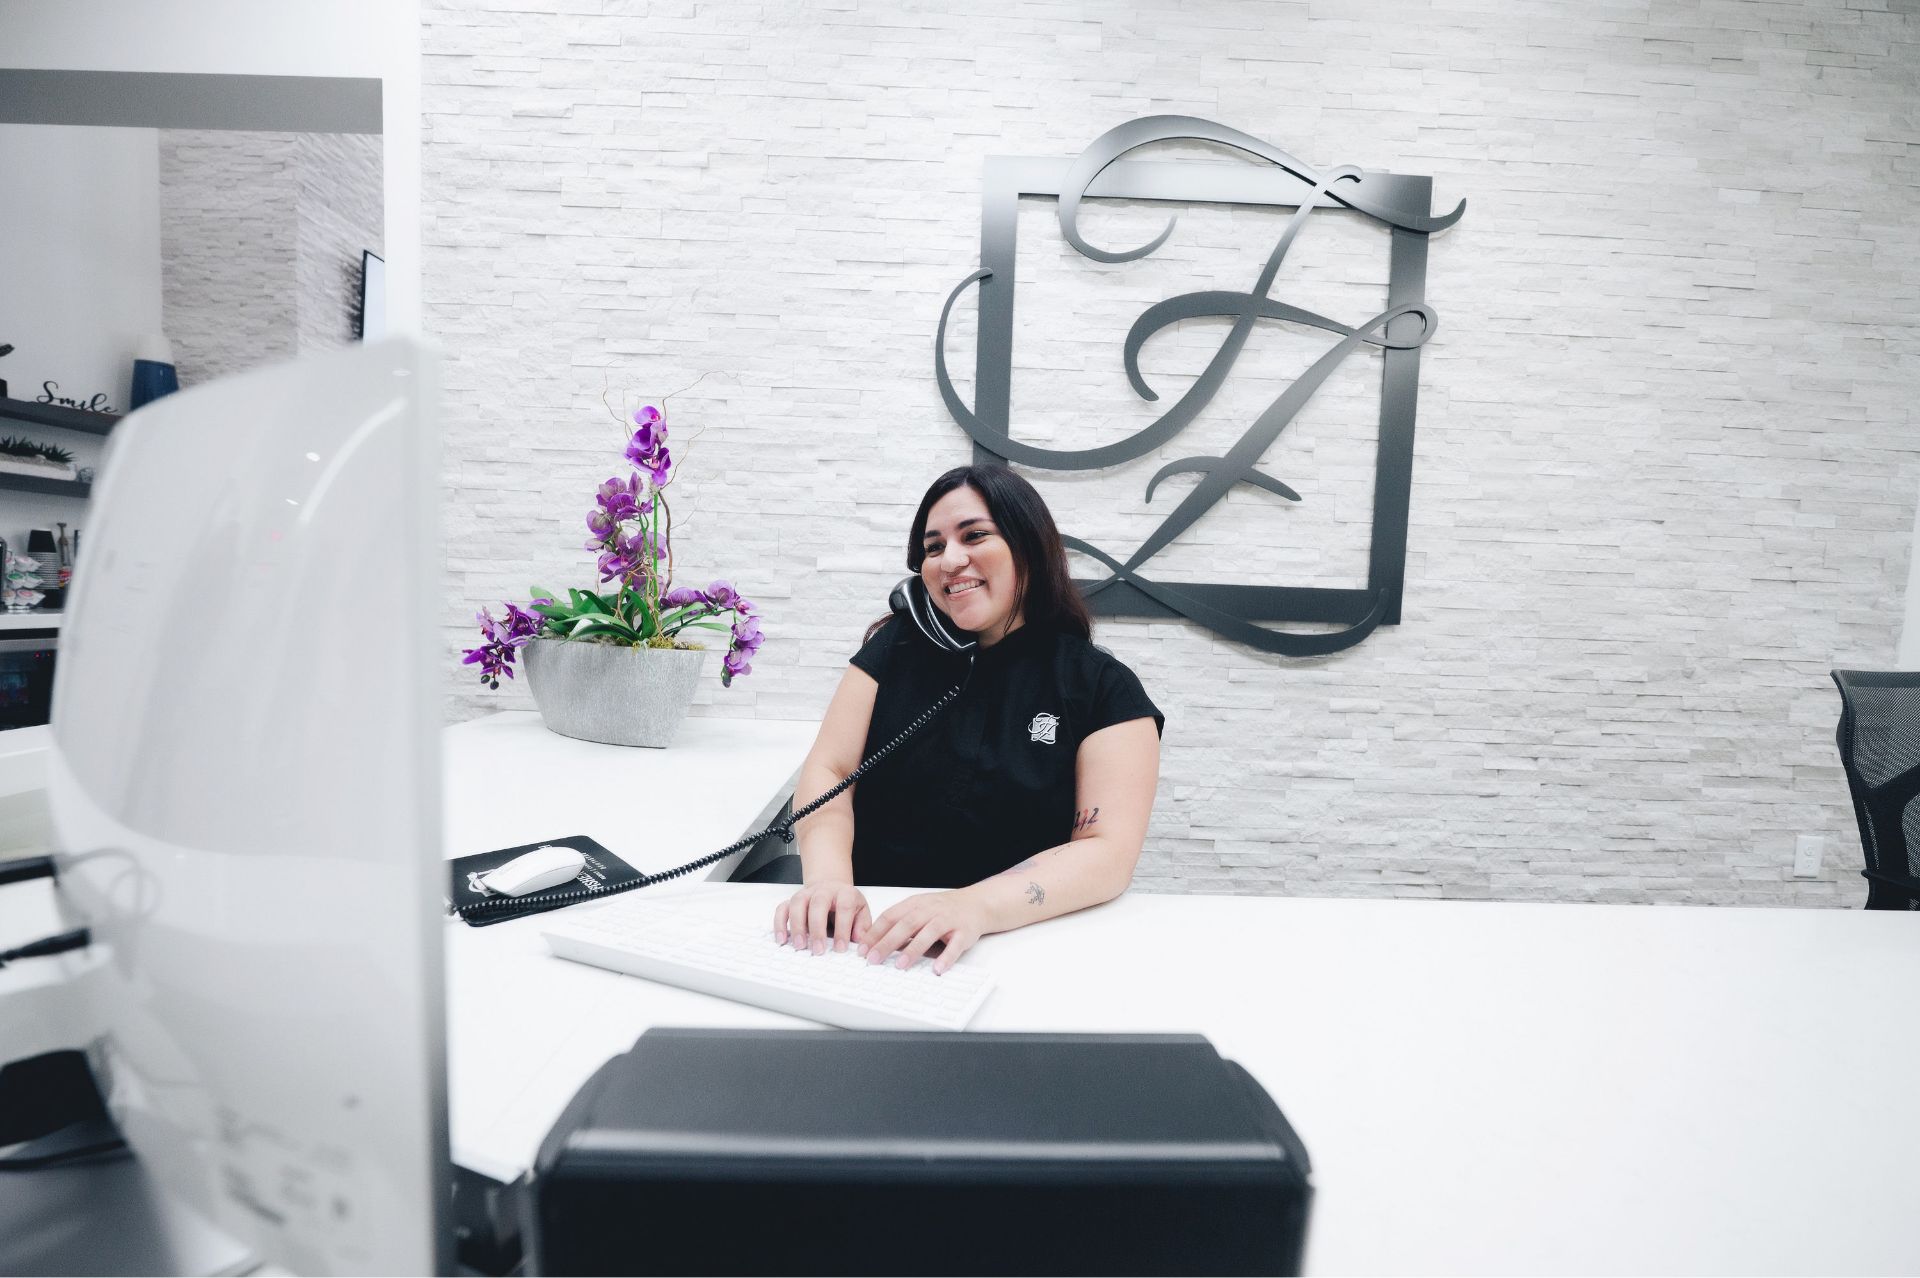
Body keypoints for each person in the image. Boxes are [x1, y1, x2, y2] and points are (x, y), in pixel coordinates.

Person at [773, 463, 1163, 974]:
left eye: (974, 536)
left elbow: (1108, 852)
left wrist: (974, 906)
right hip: (867, 938)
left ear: (1028, 545)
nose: (950, 560)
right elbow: (829, 770)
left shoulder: (1102, 687)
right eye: (933, 548)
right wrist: (828, 882)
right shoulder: (893, 649)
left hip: (1015, 944)